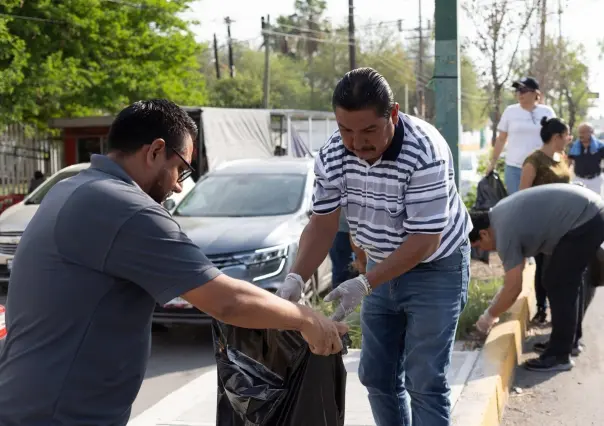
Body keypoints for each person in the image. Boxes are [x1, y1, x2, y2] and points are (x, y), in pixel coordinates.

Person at [0, 100, 347, 426]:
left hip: (34, 400)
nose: (179, 188)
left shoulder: (73, 189)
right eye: (180, 169)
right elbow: (226, 301)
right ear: (155, 151)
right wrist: (307, 319)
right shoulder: (126, 208)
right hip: (60, 413)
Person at [277, 68, 472, 426]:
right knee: (377, 376)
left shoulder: (424, 151)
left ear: (393, 114)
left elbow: (424, 241)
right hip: (381, 266)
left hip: (436, 268)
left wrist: (366, 282)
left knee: (425, 380)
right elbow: (322, 224)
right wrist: (295, 278)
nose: (357, 142)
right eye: (345, 129)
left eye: (368, 130)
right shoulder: (333, 153)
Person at [470, 183, 604, 371]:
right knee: (559, 279)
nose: (481, 251)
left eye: (477, 246)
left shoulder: (503, 232)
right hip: (587, 212)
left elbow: (514, 287)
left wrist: (488, 318)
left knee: (560, 282)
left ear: (484, 233)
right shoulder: (499, 216)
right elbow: (514, 278)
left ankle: (559, 355)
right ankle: (568, 342)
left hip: (585, 218)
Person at [519, 117, 571, 324]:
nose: (568, 139)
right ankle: (542, 309)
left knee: (560, 267)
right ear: (556, 137)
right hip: (542, 223)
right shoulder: (534, 160)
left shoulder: (561, 157)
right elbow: (523, 194)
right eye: (566, 135)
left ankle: (559, 311)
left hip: (564, 221)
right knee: (544, 267)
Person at [487, 77, 556, 194]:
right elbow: (501, 139)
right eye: (517, 90)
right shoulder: (510, 111)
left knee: (541, 206)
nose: (519, 93)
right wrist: (492, 163)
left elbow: (555, 138)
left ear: (536, 93)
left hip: (541, 168)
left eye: (524, 90)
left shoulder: (547, 112)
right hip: (514, 168)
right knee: (517, 206)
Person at [567, 122, 604, 195]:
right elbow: (568, 162)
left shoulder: (600, 146)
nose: (580, 135)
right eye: (579, 132)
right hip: (578, 180)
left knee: (595, 203)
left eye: (583, 132)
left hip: (595, 181)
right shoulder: (574, 146)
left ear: (591, 132)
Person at [329, 210, 355, 288]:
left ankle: (338, 296)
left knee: (339, 270)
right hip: (345, 233)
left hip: (335, 231)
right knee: (347, 270)